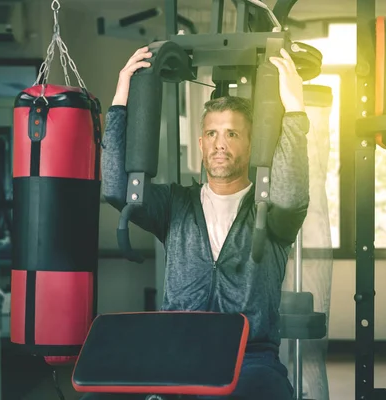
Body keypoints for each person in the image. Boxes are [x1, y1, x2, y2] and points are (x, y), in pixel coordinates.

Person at [101, 45, 310, 400]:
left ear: (251, 144)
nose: (220, 144)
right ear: (201, 143)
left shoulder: (270, 211)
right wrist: (122, 97)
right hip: (179, 352)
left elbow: (290, 194)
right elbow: (117, 188)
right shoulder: (176, 204)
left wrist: (295, 111)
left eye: (232, 134)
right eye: (212, 134)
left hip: (251, 358)